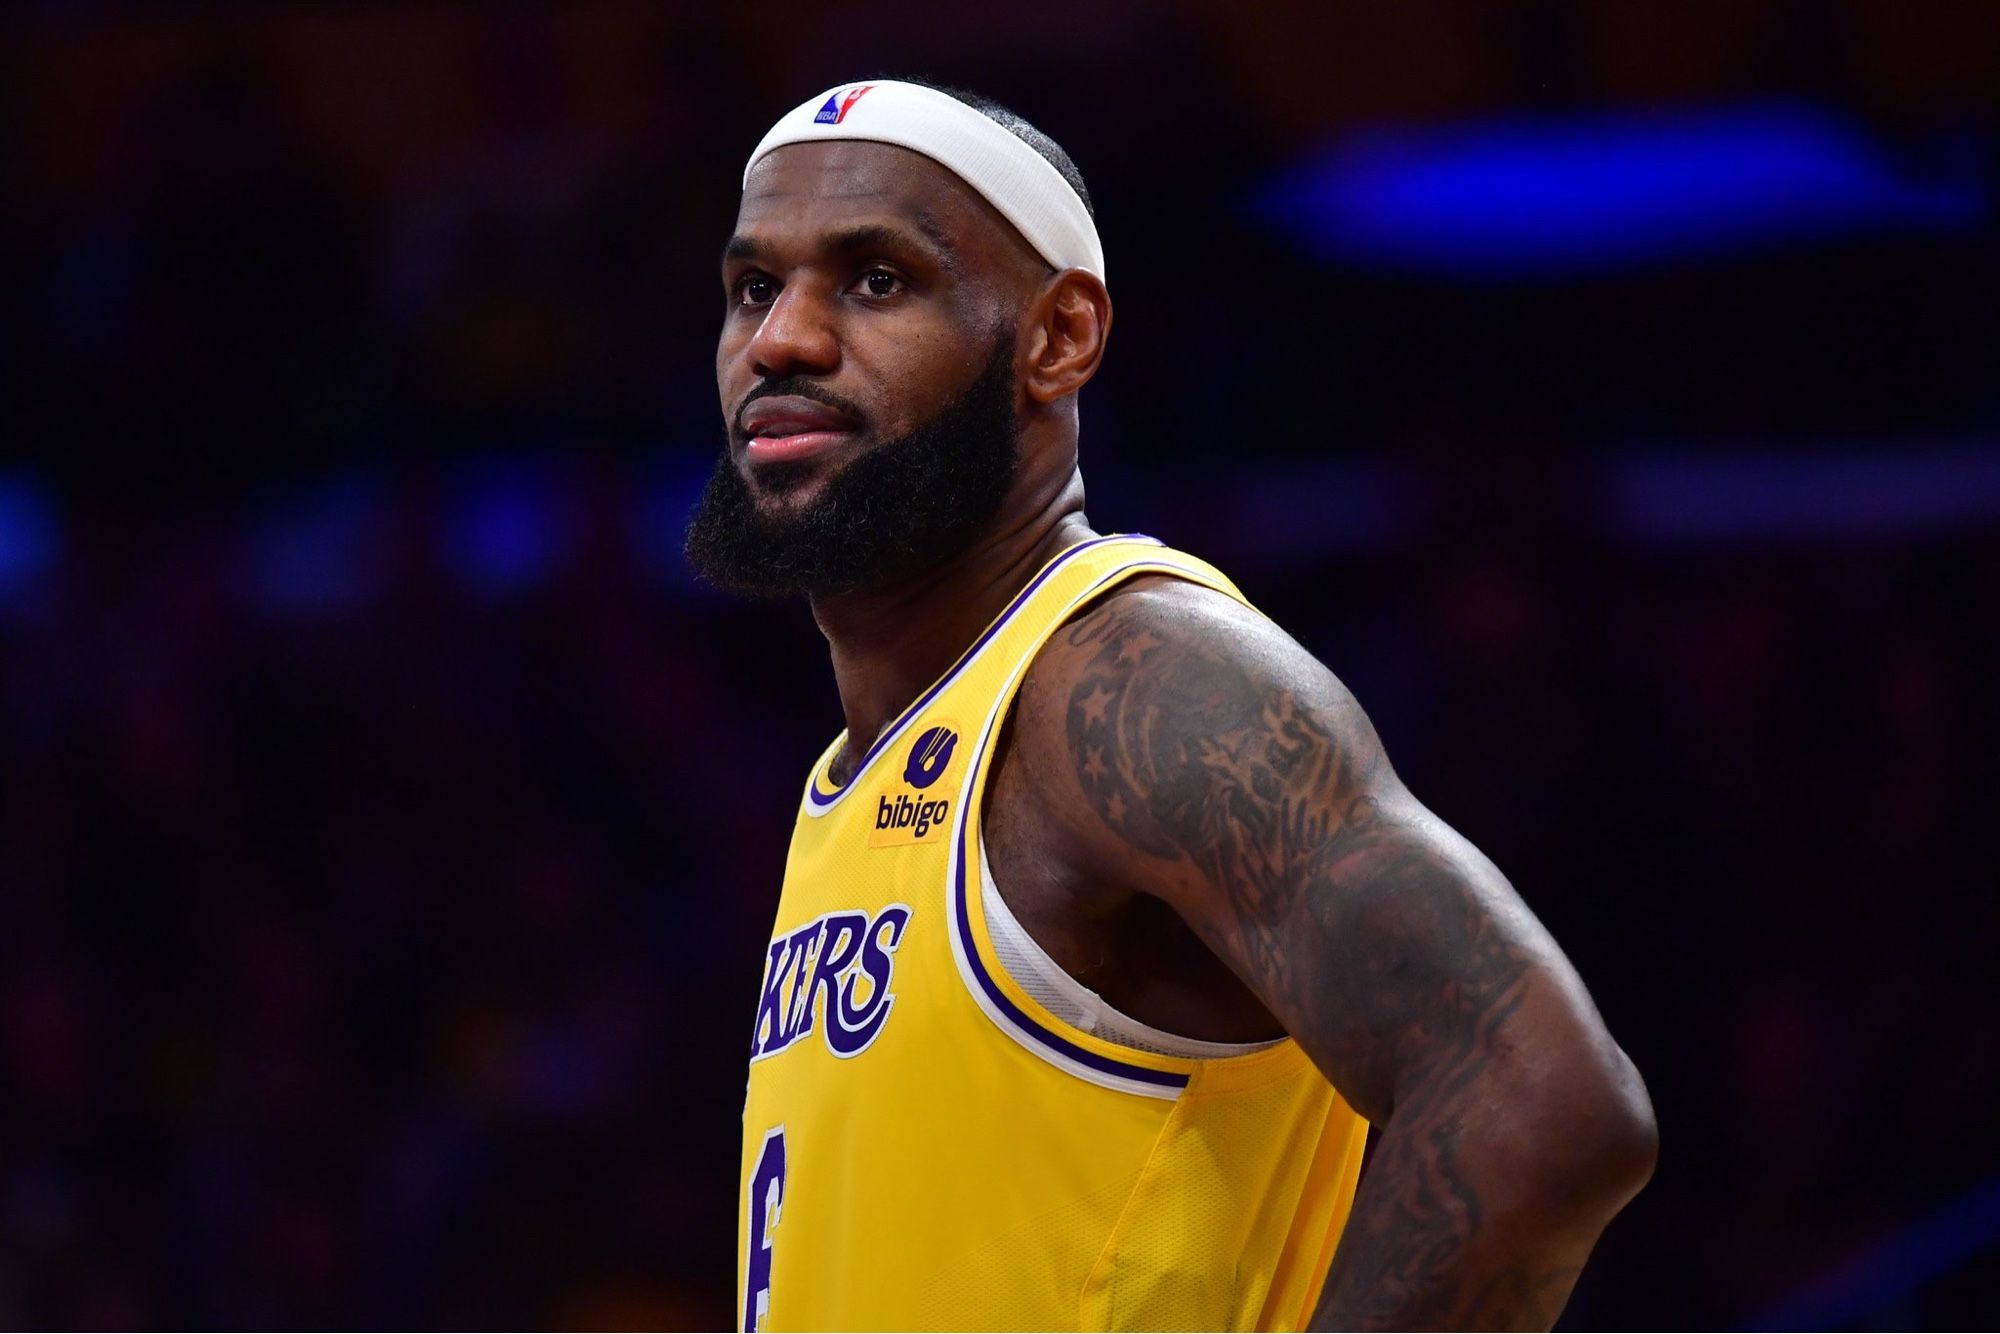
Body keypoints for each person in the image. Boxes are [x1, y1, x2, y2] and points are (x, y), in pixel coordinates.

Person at [688, 79, 1657, 1333]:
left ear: (1057, 337)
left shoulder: (1125, 673)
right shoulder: (856, 771)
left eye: (873, 280)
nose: (783, 339)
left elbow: (1543, 1100)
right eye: (753, 288)